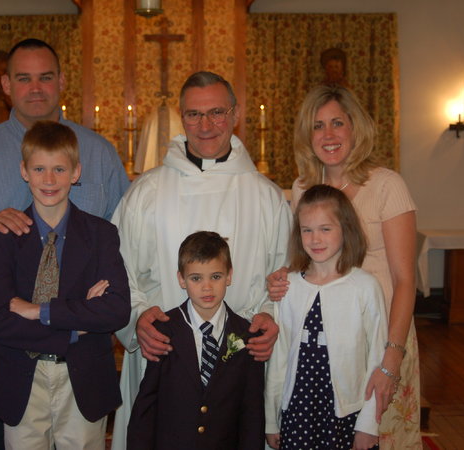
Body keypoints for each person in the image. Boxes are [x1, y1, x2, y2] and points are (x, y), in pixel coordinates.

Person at [0, 38, 130, 449]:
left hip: (79, 316)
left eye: (46, 77)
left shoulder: (99, 153)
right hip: (1, 317)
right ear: (5, 85)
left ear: (62, 81)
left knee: (81, 434)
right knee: (2, 434)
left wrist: (98, 314)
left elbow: (124, 234)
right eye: (23, 78)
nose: (36, 88)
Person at [110, 71, 292, 449]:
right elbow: (117, 270)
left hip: (238, 361)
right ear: (182, 117)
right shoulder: (146, 192)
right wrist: (138, 318)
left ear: (235, 114)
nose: (205, 125)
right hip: (163, 355)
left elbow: (285, 278)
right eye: (194, 114)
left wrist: (270, 316)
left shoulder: (266, 197)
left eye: (216, 113)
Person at [267, 84, 421, 449]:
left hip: (383, 334)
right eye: (318, 126)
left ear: (355, 127)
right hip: (327, 341)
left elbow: (404, 279)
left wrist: (390, 359)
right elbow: (305, 258)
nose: (329, 135)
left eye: (337, 123)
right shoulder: (304, 187)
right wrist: (283, 277)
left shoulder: (386, 185)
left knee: (381, 437)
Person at [0, 121, 130, 449]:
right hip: (21, 376)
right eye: (39, 169)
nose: (49, 180)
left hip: (83, 378)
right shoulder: (3, 237)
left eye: (59, 169)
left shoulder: (101, 234)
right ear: (24, 171)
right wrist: (77, 326)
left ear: (75, 172)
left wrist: (39, 312)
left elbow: (117, 310)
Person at [265, 184, 387, 450]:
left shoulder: (365, 287)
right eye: (307, 230)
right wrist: (271, 419)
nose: (315, 239)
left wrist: (368, 425)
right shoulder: (289, 286)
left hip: (345, 415)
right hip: (297, 411)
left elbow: (377, 359)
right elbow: (280, 357)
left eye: (325, 229)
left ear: (346, 229)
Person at [127, 231, 265, 449]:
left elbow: (252, 411)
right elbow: (147, 404)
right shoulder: (163, 331)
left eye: (216, 277)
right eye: (196, 278)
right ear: (181, 279)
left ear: (229, 276)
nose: (207, 287)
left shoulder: (247, 335)